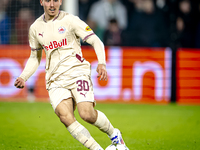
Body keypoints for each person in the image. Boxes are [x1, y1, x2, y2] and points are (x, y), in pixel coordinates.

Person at [14, 0, 129, 150]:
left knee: (86, 114)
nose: (52, 4)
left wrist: (102, 63)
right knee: (65, 117)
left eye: (55, 0)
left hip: (77, 72)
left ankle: (114, 134)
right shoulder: (35, 28)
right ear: (42, 1)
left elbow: (95, 40)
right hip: (55, 79)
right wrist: (24, 76)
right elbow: (34, 57)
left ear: (61, 1)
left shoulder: (70, 20)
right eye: (48, 0)